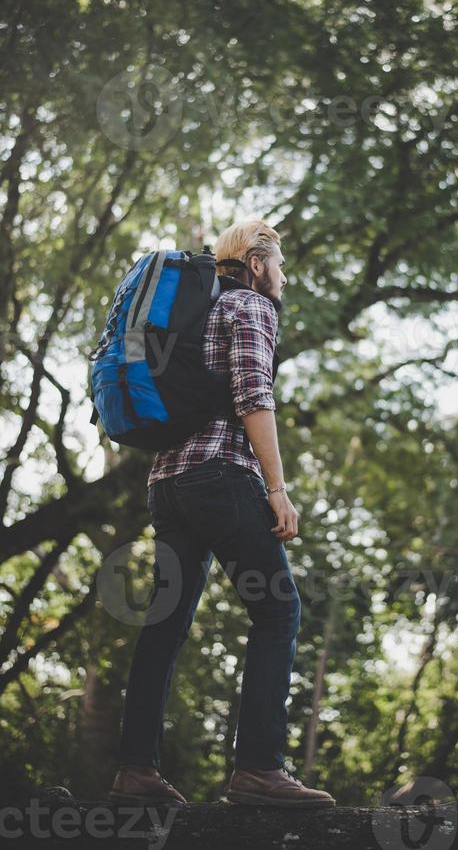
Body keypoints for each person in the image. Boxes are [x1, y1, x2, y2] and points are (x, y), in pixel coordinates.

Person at [108, 219, 335, 808]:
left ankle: (135, 772)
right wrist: (277, 489)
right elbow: (254, 396)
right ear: (258, 263)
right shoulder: (249, 308)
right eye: (280, 266)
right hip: (221, 477)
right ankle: (258, 770)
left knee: (165, 623)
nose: (283, 279)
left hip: (167, 484)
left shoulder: (190, 314)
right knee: (278, 611)